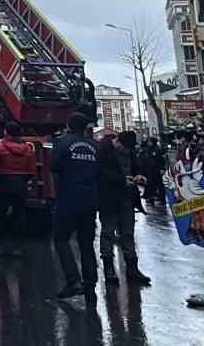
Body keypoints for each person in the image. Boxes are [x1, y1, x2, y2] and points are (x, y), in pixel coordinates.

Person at [50, 113, 101, 300]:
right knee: (86, 243)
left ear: (69, 126)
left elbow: (53, 166)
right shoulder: (95, 147)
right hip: (90, 201)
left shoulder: (62, 143)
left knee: (61, 239)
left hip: (68, 199)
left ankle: (73, 281)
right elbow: (100, 172)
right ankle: (90, 284)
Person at [97, 130, 152, 287]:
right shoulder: (104, 149)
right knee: (108, 232)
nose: (127, 151)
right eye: (125, 148)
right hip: (109, 199)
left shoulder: (130, 151)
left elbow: (136, 167)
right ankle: (109, 268)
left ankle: (132, 268)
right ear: (118, 141)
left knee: (128, 232)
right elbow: (101, 173)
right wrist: (122, 180)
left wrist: (139, 175)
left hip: (127, 198)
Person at [0, 122, 36, 235]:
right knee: (19, 214)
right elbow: (32, 171)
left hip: (3, 185)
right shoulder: (28, 150)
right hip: (21, 186)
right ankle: (18, 244)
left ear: (6, 132)